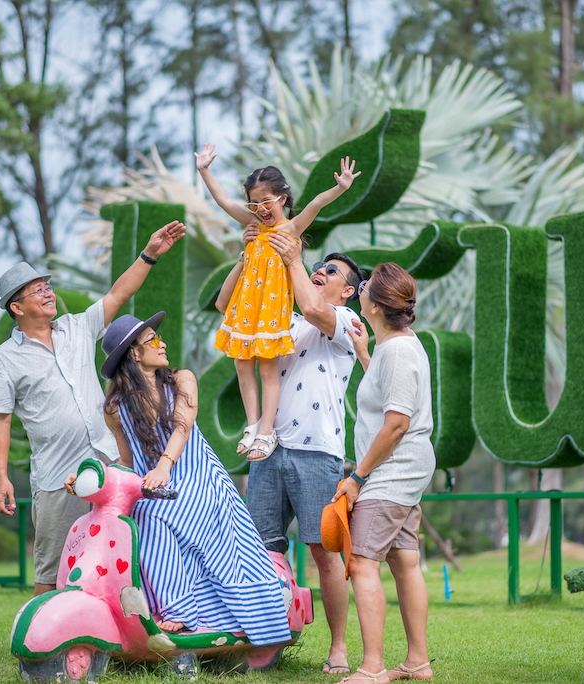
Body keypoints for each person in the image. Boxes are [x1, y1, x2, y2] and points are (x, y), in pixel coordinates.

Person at [0, 220, 185, 596]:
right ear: (17, 307)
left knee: (122, 556)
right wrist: (1, 478)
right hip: (57, 477)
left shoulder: (76, 328)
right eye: (37, 290)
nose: (48, 293)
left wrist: (149, 254)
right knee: (53, 567)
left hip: (111, 463)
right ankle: (43, 632)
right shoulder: (3, 360)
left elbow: (117, 295)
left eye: (47, 286)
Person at [84, 312, 292, 645]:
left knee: (156, 513)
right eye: (152, 339)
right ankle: (167, 607)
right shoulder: (115, 408)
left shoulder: (182, 379)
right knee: (141, 514)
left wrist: (164, 465)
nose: (162, 343)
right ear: (134, 354)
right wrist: (96, 480)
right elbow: (127, 460)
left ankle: (182, 610)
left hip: (198, 477)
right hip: (155, 485)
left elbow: (182, 426)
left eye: (158, 336)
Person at [224, 228, 364, 675]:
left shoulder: (347, 322)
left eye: (331, 271)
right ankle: (265, 641)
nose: (321, 272)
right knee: (262, 552)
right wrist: (248, 256)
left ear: (348, 291)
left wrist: (294, 260)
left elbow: (313, 307)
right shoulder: (284, 320)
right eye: (320, 266)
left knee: (323, 553)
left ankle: (338, 647)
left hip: (317, 452)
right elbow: (229, 308)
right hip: (269, 449)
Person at [198, 142, 359, 462]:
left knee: (268, 370)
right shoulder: (253, 227)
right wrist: (204, 171)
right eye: (254, 203)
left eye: (266, 201)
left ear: (283, 199)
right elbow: (224, 201)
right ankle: (253, 424)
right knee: (242, 364)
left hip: (271, 311)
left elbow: (316, 203)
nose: (260, 209)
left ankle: (267, 429)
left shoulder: (291, 229)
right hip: (247, 307)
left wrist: (340, 188)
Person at [333, 263, 436, 683]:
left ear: (375, 306)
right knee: (404, 559)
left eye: (364, 287)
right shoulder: (395, 346)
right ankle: (418, 662)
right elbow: (386, 394)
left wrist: (357, 478)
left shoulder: (397, 351)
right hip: (405, 468)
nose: (358, 290)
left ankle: (372, 668)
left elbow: (396, 423)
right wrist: (364, 354)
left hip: (392, 470)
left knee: (361, 562)